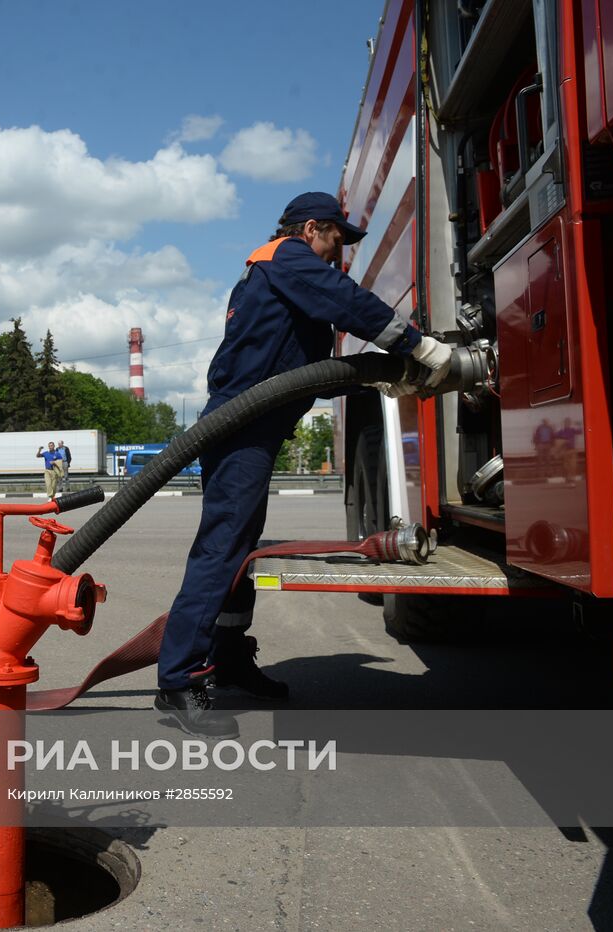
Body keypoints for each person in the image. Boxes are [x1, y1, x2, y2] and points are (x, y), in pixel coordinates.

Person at [155, 192, 452, 739]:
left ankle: (226, 661)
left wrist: (369, 372)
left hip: (254, 425)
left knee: (238, 549)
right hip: (242, 424)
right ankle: (179, 681)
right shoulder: (287, 257)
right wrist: (416, 346)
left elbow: (301, 352)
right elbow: (348, 302)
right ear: (311, 228)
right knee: (223, 547)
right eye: (337, 239)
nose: (339, 255)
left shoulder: (276, 269)